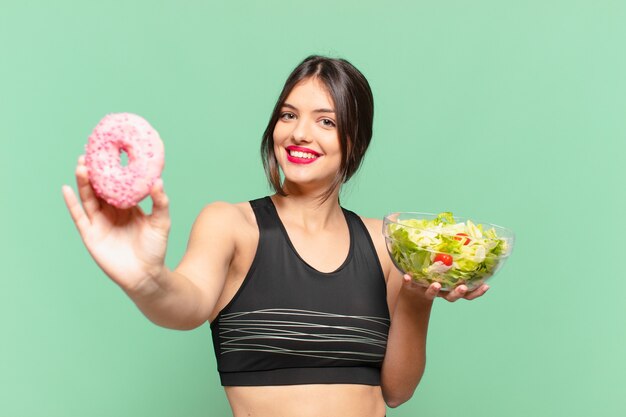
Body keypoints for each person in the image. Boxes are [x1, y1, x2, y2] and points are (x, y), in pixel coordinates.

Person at [62, 55, 489, 417]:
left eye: (326, 120)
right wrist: (146, 280)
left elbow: (397, 391)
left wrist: (417, 295)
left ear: (355, 141)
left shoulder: (384, 241)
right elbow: (186, 305)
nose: (299, 133)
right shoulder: (231, 225)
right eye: (288, 115)